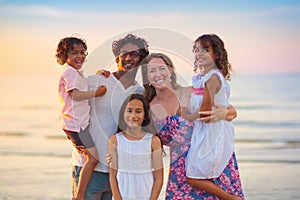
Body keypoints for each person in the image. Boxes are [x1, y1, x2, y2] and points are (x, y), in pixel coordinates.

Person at [141, 52, 240, 199]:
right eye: (152, 71)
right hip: (180, 176)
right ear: (147, 78)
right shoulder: (147, 108)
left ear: (170, 72)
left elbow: (231, 112)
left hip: (209, 164)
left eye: (162, 68)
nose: (158, 74)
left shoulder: (190, 92)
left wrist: (223, 113)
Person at [71, 34, 149, 200]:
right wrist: (74, 138)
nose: (128, 57)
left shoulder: (140, 92)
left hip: (119, 173)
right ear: (117, 58)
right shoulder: (96, 81)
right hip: (89, 169)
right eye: (124, 53)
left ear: (141, 60)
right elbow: (70, 106)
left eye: (134, 54)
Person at [182, 34, 244, 199]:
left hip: (212, 132)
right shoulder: (200, 78)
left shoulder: (213, 78)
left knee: (193, 176)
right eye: (196, 50)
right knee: (198, 172)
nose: (199, 53)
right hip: (204, 131)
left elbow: (205, 114)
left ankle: (230, 198)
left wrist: (186, 115)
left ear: (216, 54)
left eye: (205, 50)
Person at [56, 36, 107, 200]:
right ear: (65, 55)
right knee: (93, 158)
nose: (80, 56)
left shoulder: (76, 73)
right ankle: (79, 195)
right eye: (74, 52)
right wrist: (97, 94)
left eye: (82, 52)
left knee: (91, 158)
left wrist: (100, 75)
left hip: (79, 125)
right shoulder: (69, 72)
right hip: (75, 125)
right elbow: (76, 94)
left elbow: (83, 84)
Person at [108, 93, 163, 200]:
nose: (133, 116)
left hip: (146, 193)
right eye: (129, 111)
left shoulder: (153, 141)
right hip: (123, 193)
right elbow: (113, 176)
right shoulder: (115, 140)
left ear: (145, 115)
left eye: (138, 111)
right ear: (123, 113)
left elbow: (159, 178)